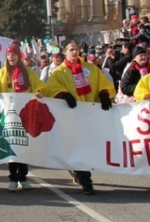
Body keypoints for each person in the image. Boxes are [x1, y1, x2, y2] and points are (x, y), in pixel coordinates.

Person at [47, 41, 115, 195]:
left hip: (90, 115)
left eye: (76, 49)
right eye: (71, 49)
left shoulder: (90, 69)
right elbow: (52, 88)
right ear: (65, 52)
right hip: (72, 116)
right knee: (78, 146)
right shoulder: (58, 72)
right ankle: (86, 181)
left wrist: (104, 94)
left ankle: (79, 171)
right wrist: (63, 94)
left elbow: (102, 82)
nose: (74, 52)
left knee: (89, 146)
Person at [0, 42, 47, 192]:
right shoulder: (2, 73)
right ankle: (13, 178)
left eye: (13, 54)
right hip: (9, 117)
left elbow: (40, 85)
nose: (11, 57)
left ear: (18, 56)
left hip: (25, 116)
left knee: (23, 148)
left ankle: (23, 177)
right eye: (8, 54)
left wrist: (39, 91)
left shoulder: (28, 72)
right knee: (11, 147)